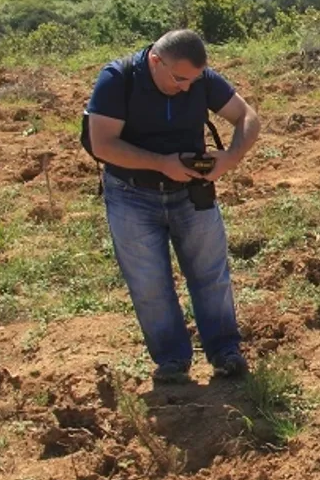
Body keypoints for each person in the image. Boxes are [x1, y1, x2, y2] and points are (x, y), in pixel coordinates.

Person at [85, 29, 261, 384]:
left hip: (191, 193)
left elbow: (247, 116)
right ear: (155, 61)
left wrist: (231, 157)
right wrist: (161, 163)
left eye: (193, 81)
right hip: (132, 195)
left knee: (210, 274)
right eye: (180, 79)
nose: (186, 88)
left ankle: (225, 352)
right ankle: (172, 360)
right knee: (149, 283)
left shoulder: (199, 80)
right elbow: (101, 144)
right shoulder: (118, 79)